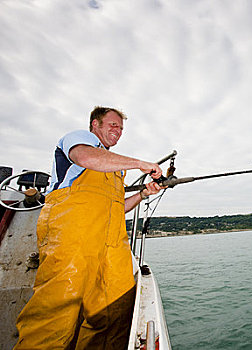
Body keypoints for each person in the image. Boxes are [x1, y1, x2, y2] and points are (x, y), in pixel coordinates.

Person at [15, 107, 164, 349]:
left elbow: (117, 208)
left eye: (121, 128)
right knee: (57, 310)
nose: (118, 131)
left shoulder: (114, 167)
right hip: (72, 236)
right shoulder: (79, 140)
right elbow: (85, 157)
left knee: (112, 313)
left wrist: (143, 193)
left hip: (111, 246)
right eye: (113, 125)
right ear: (95, 124)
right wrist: (140, 164)